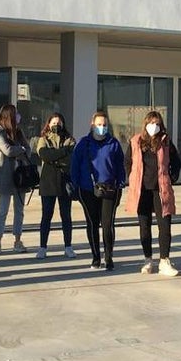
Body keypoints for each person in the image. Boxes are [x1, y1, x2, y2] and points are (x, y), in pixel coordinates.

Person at [124, 110, 181, 276]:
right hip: (142, 191)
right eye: (151, 123)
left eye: (157, 123)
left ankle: (164, 260)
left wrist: (171, 177)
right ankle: (148, 259)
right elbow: (127, 162)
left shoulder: (165, 141)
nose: (154, 126)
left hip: (161, 190)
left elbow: (176, 162)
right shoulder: (135, 141)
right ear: (145, 124)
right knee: (144, 226)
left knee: (165, 226)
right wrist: (132, 177)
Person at [71, 111, 126, 270]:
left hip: (109, 189)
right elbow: (75, 165)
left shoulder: (113, 143)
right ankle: (96, 257)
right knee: (92, 223)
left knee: (107, 224)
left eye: (104, 125)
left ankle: (108, 256)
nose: (102, 127)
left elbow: (120, 165)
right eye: (99, 124)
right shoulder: (83, 144)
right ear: (92, 125)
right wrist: (75, 185)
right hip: (88, 190)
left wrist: (120, 183)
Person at [34, 112, 76, 259]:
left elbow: (70, 159)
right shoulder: (43, 139)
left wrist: (54, 157)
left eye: (59, 123)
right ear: (48, 124)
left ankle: (68, 246)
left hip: (65, 180)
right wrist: (62, 152)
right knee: (46, 215)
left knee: (66, 215)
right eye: (53, 123)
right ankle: (42, 247)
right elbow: (44, 155)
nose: (56, 125)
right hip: (48, 181)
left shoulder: (70, 139)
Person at [0, 104, 29, 255]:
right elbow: (7, 150)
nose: (18, 116)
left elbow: (29, 148)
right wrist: (21, 150)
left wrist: (21, 150)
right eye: (15, 114)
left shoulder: (18, 131)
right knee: (3, 211)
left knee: (19, 211)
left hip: (21, 176)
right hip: (5, 176)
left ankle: (18, 240)